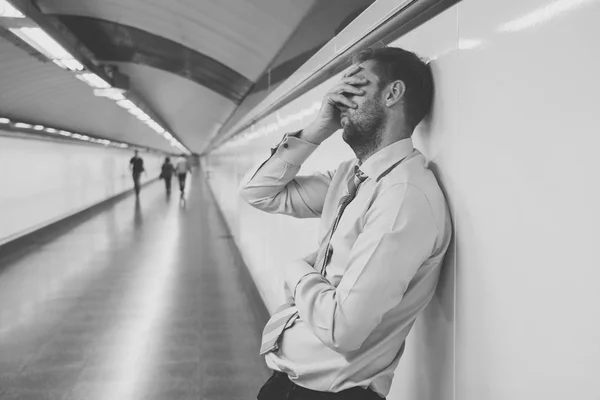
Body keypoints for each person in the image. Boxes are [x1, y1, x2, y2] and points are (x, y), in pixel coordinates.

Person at [239, 47, 452, 400]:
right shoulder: (352, 179)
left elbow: (343, 328)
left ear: (393, 93)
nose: (339, 101)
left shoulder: (402, 196)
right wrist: (316, 129)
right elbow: (257, 192)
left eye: (355, 88)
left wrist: (295, 270)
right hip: (293, 385)